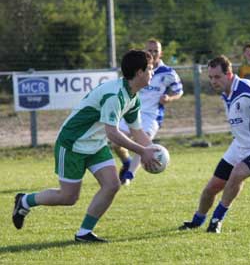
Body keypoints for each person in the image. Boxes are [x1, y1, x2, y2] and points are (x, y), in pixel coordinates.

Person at [12, 50, 161, 243]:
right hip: (72, 143)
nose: (153, 73)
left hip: (96, 145)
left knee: (112, 185)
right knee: (68, 197)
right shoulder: (115, 95)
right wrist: (143, 151)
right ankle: (25, 201)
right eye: (150, 69)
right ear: (139, 72)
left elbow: (138, 131)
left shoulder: (133, 96)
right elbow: (113, 133)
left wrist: (154, 152)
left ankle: (84, 233)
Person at [179, 55, 250, 233]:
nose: (213, 81)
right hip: (239, 145)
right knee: (211, 188)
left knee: (237, 174)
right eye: (210, 77)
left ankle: (216, 220)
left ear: (229, 74)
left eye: (217, 77)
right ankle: (197, 220)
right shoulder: (226, 93)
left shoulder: (249, 91)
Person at [113, 38, 183, 185]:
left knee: (144, 145)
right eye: (150, 50)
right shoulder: (138, 69)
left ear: (161, 53)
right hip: (131, 111)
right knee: (116, 143)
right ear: (145, 52)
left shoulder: (168, 73)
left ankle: (128, 176)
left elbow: (179, 91)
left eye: (156, 51)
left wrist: (169, 98)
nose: (153, 53)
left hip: (152, 116)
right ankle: (127, 162)